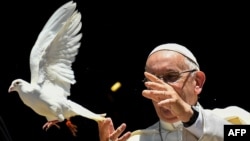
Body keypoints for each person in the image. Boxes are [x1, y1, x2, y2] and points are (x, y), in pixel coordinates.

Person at [97, 43, 250, 141]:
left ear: (197, 82)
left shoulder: (234, 120)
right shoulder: (136, 140)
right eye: (152, 80)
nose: (161, 88)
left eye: (171, 77)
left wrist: (191, 118)